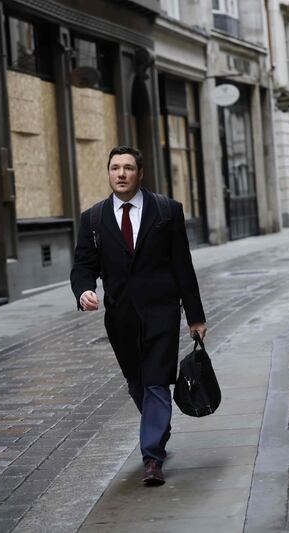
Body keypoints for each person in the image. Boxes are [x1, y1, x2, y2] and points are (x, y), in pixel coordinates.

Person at [70, 145, 207, 486]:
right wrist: (84, 290)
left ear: (139, 173)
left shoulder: (167, 210)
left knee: (156, 381)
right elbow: (83, 266)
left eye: (128, 167)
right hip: (120, 316)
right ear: (108, 173)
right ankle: (159, 425)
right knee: (136, 382)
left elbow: (182, 266)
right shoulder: (93, 218)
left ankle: (152, 458)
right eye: (115, 167)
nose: (121, 174)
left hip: (161, 310)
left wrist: (195, 315)